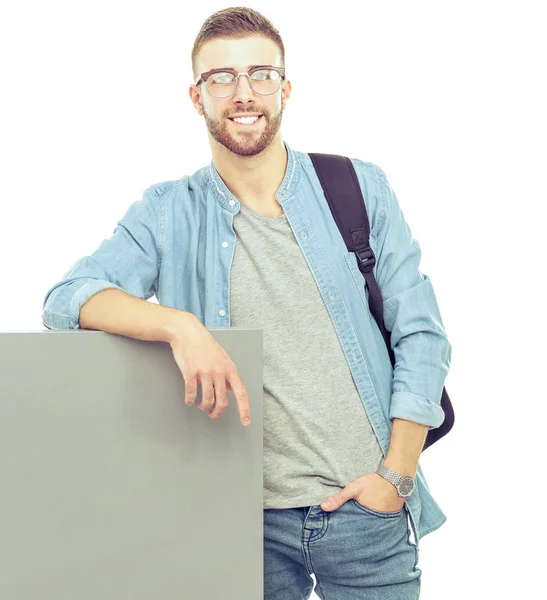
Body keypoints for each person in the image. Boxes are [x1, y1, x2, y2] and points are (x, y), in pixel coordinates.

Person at [42, 7, 452, 599]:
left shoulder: (359, 188)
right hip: (238, 523)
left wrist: (396, 476)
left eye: (260, 74)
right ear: (196, 96)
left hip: (367, 511)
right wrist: (178, 325)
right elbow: (67, 300)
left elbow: (422, 335)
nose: (243, 94)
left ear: (285, 88)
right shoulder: (165, 212)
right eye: (221, 78)